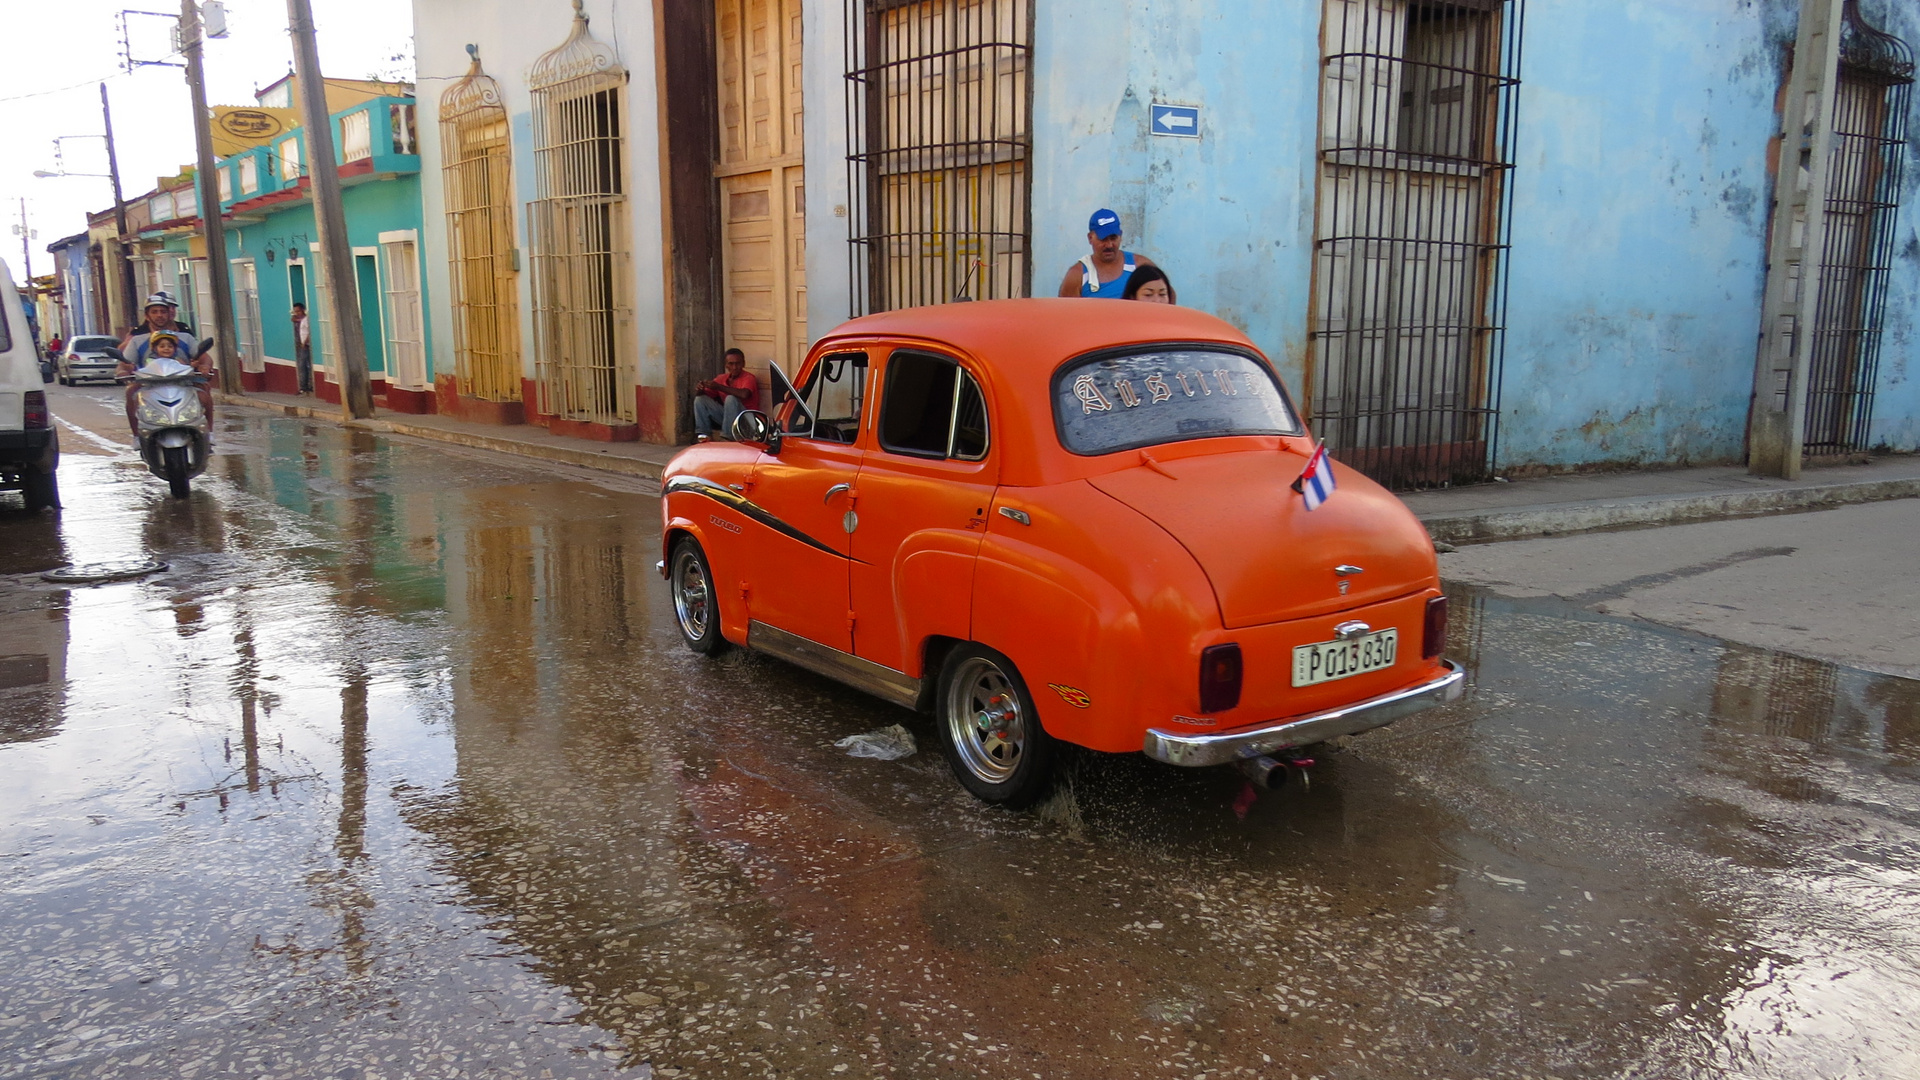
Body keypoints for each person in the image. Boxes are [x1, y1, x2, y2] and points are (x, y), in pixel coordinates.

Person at [1057, 208, 1156, 298]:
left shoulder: (1139, 266)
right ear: (1090, 238)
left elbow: (1167, 298)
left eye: (1113, 238)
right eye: (1103, 239)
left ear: (1120, 236)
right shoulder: (1077, 276)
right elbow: (1065, 314)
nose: (1109, 245)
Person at [693, 348, 760, 441]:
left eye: (738, 363)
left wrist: (719, 387)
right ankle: (704, 435)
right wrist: (700, 388)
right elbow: (704, 395)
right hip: (729, 419)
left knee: (731, 399)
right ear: (726, 365)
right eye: (731, 364)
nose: (734, 367)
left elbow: (745, 394)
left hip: (746, 422)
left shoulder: (749, 378)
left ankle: (728, 436)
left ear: (743, 364)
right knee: (700, 400)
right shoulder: (721, 378)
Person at [290, 302, 313, 393]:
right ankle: (305, 385)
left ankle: (304, 386)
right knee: (303, 365)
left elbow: (309, 331)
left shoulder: (307, 319)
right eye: (295, 311)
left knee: (303, 365)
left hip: (306, 345)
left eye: (298, 311)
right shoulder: (299, 320)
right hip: (301, 344)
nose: (296, 313)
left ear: (303, 310)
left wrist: (305, 342)